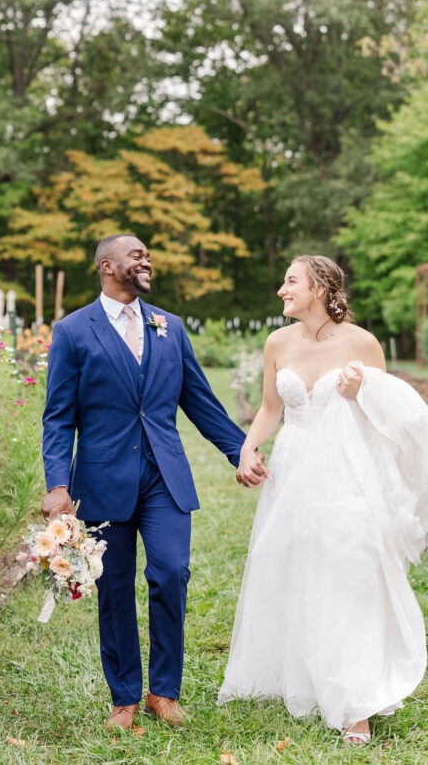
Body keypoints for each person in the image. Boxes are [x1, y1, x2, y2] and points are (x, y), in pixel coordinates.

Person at [218, 254, 428, 747]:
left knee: (349, 572)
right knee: (296, 567)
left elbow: (392, 412)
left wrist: (364, 390)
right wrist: (248, 448)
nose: (281, 291)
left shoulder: (362, 343)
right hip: (292, 471)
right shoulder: (277, 342)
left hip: (348, 473)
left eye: (290, 282)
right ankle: (305, 677)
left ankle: (356, 703)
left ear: (319, 288)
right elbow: (272, 406)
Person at [41, 234, 266, 732]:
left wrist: (241, 450)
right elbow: (58, 417)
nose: (146, 260)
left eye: (147, 254)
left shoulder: (171, 326)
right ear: (106, 265)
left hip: (165, 476)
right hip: (101, 481)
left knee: (172, 573)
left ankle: (163, 691)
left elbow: (200, 400)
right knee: (115, 588)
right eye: (135, 254)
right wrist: (58, 482)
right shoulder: (74, 331)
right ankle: (124, 697)